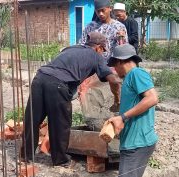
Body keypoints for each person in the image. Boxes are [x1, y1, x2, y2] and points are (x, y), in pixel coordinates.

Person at [23, 32, 121, 167]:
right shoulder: (96, 56)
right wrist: (117, 100)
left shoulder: (71, 49)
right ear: (98, 47)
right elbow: (114, 80)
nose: (102, 53)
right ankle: (60, 159)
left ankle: (25, 156)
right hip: (57, 84)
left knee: (32, 119)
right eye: (103, 50)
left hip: (40, 78)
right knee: (60, 123)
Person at [107, 44, 158, 177]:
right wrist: (120, 120)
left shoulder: (136, 74)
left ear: (121, 62)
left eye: (114, 64)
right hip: (136, 141)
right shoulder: (131, 78)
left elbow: (152, 98)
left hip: (138, 143)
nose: (114, 69)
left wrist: (123, 117)